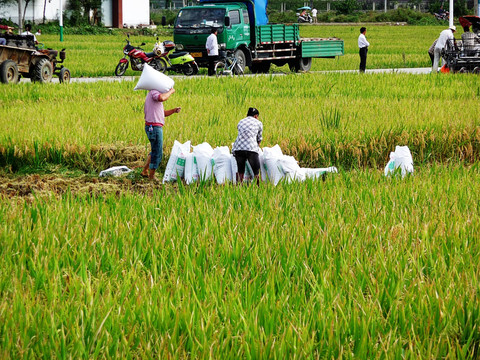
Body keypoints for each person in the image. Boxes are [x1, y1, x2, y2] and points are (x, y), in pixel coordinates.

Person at [140, 88, 181, 180]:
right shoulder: (154, 92)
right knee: (157, 152)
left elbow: (162, 113)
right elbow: (162, 98)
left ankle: (145, 171)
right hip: (154, 128)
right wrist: (171, 91)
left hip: (153, 127)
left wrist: (174, 110)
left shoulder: (154, 96)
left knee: (155, 150)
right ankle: (152, 177)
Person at [232, 107, 263, 186]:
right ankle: (258, 187)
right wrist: (257, 148)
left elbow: (241, 133)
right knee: (256, 171)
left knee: (240, 170)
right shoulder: (258, 123)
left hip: (238, 148)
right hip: (251, 149)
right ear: (256, 116)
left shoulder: (241, 121)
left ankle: (238, 187)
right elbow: (259, 138)